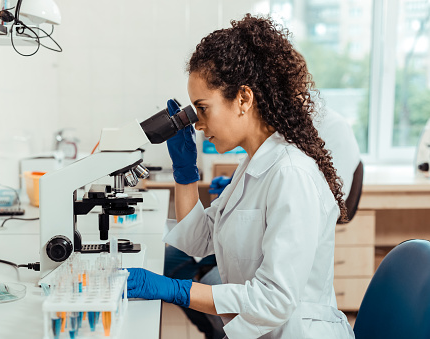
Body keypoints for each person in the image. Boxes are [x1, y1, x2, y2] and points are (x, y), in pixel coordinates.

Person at [127, 14, 355, 339]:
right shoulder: (254, 162)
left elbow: (274, 301)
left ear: (243, 99)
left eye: (202, 109)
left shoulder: (291, 173)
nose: (198, 124)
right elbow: (197, 240)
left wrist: (176, 289)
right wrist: (185, 173)